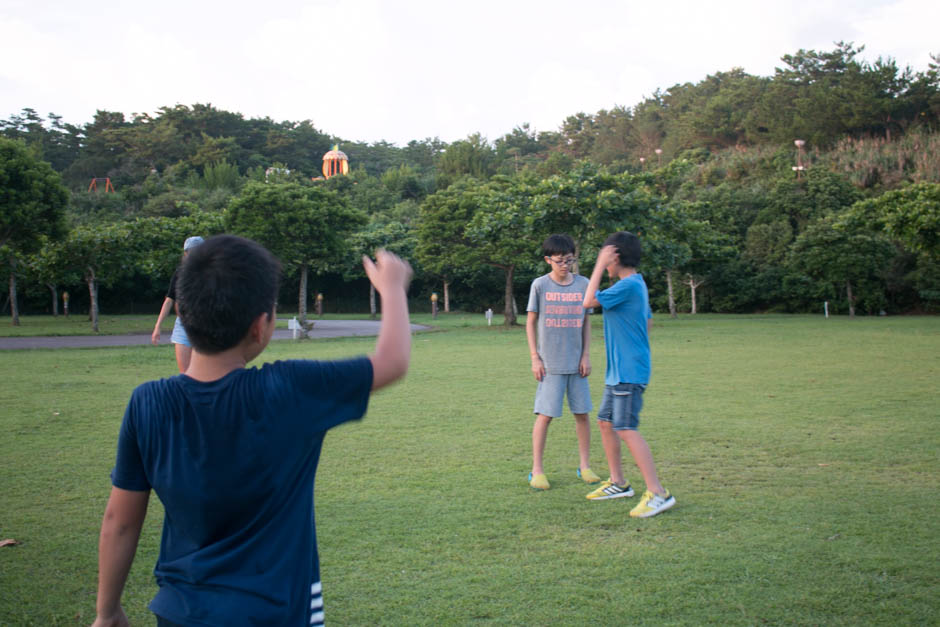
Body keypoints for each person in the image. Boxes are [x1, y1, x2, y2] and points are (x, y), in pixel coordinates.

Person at [92, 235, 412, 626]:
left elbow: (120, 522)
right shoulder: (290, 389)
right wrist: (392, 288)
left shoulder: (148, 404)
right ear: (261, 327)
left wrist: (106, 613)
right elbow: (392, 361)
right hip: (277, 613)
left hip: (181, 613)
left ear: (184, 318)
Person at [582, 231, 676, 517]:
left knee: (625, 427)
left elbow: (588, 303)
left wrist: (598, 266)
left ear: (616, 257)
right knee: (605, 422)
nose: (605, 265)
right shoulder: (634, 285)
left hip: (628, 371)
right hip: (620, 370)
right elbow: (647, 321)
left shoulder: (629, 285)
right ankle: (619, 483)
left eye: (607, 259)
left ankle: (659, 493)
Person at [526, 233, 600, 490]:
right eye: (560, 261)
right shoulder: (540, 285)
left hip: (577, 364)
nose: (565, 265)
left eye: (570, 260)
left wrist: (586, 355)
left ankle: (585, 466)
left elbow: (587, 321)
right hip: (550, 364)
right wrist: (535, 358)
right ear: (548, 260)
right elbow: (531, 321)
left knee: (582, 414)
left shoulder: (583, 284)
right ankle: (536, 470)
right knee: (545, 416)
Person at [151, 236, 204, 373]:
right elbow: (169, 300)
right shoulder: (180, 273)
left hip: (206, 325)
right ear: (186, 253)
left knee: (204, 373)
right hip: (183, 325)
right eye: (190, 252)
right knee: (185, 374)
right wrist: (158, 327)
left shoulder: (212, 273)